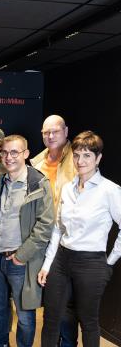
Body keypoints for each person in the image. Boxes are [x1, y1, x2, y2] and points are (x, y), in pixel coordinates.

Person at [38, 131, 121, 347]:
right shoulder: (68, 188)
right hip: (62, 260)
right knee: (51, 319)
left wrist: (109, 262)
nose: (80, 161)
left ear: (98, 158)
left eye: (87, 156)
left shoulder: (109, 190)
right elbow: (58, 229)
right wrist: (47, 264)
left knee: (88, 321)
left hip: (91, 262)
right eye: (77, 155)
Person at [0, 135, 54, 347]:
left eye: (14, 152)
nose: (9, 157)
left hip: (21, 260)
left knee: (24, 316)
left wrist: (21, 256)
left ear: (26, 154)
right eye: (5, 152)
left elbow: (45, 225)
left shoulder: (38, 183)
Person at [29, 115, 77, 346]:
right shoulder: (36, 162)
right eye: (46, 132)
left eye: (55, 131)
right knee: (49, 298)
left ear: (65, 131)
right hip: (43, 237)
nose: (50, 136)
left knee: (67, 302)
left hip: (68, 239)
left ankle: (67, 342)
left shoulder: (78, 158)